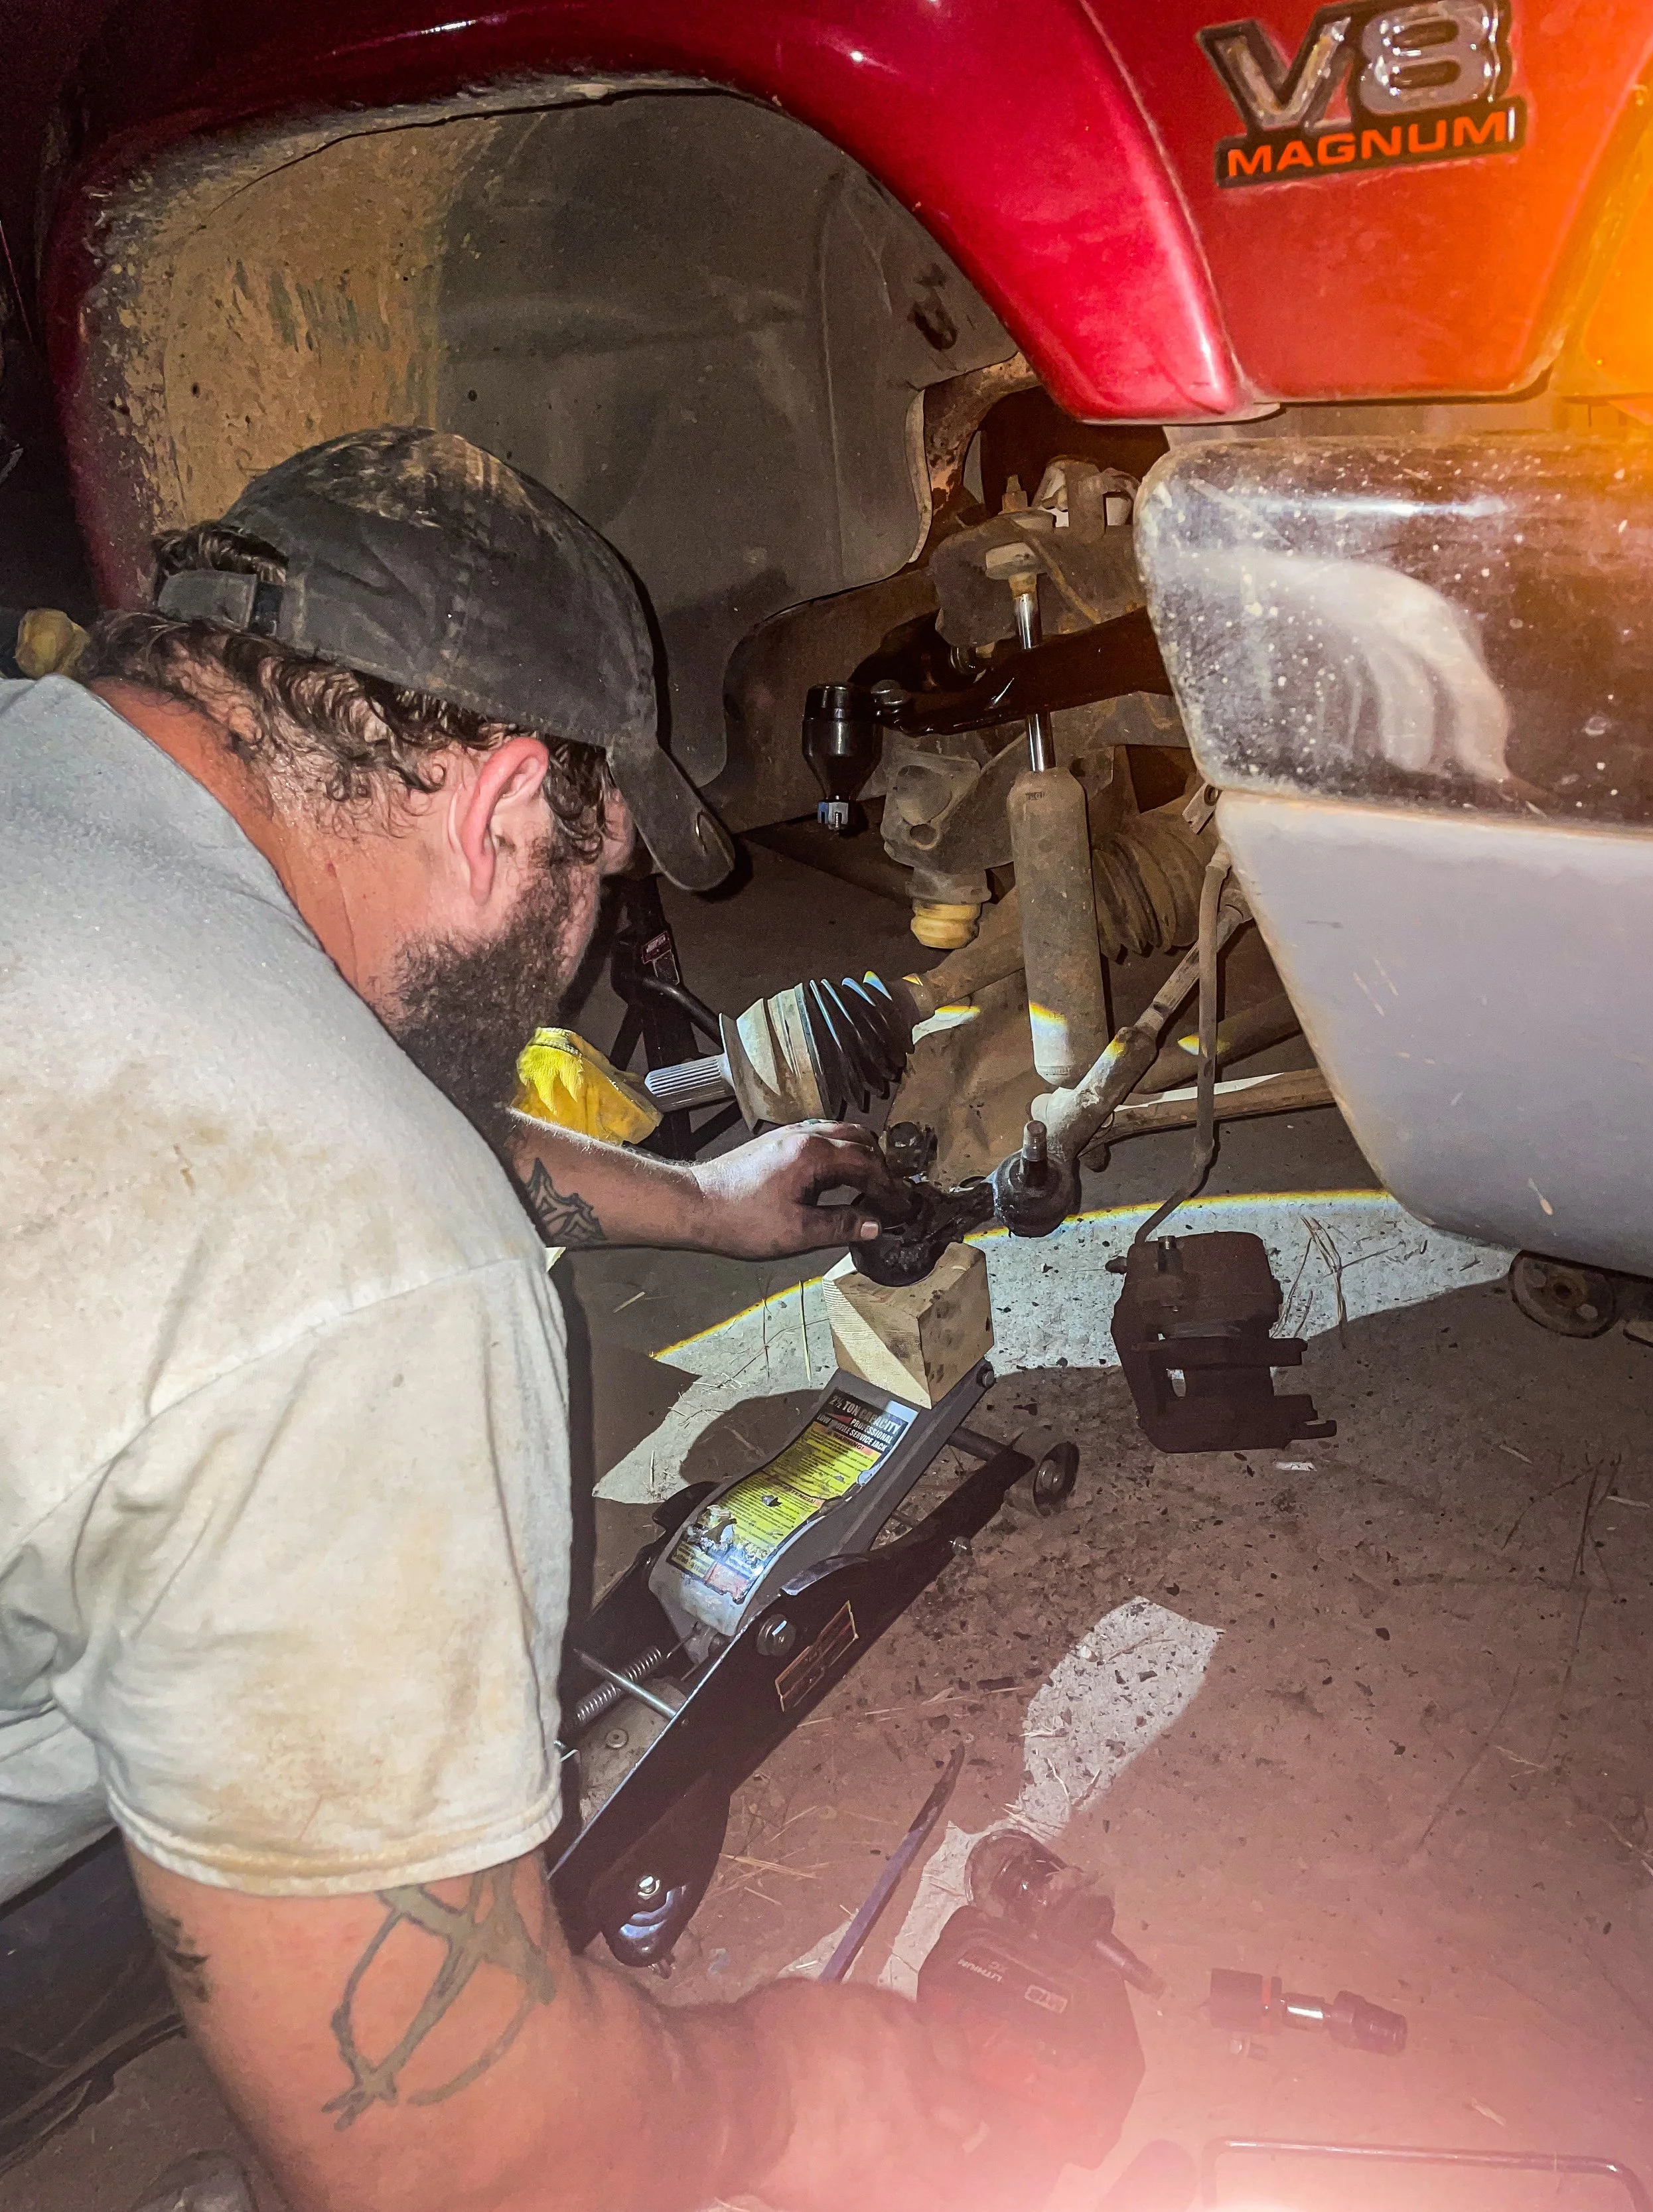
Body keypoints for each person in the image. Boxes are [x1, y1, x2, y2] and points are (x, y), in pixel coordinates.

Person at [0, 427, 976, 2212]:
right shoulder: (352, 1253)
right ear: (501, 798)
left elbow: (260, 1107)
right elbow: (459, 2153)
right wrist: (799, 2088)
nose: (591, 949)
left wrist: (696, 1199)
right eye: (590, 877)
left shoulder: (55, 798)